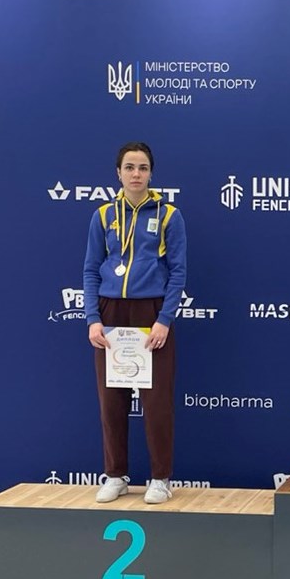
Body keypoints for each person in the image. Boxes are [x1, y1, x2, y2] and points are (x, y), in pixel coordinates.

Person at [83, 142, 187, 504]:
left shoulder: (170, 215)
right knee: (111, 400)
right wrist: (93, 319)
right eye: (129, 167)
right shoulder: (102, 216)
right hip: (111, 313)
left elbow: (178, 272)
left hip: (151, 314)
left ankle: (160, 478)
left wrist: (164, 320)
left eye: (142, 168)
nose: (136, 174)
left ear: (151, 173)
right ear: (118, 173)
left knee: (156, 402)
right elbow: (90, 269)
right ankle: (116, 475)